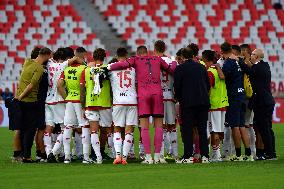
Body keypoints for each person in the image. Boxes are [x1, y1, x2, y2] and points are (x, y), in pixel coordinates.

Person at [108, 45, 177, 164]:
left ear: (138, 53)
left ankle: (148, 158)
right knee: (159, 126)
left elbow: (123, 64)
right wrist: (174, 60)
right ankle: (157, 156)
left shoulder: (135, 59)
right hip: (157, 93)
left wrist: (109, 66)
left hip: (143, 94)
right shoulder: (157, 59)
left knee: (144, 126)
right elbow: (171, 70)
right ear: (147, 52)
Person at [45, 48, 82, 162]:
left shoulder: (49, 64)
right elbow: (75, 59)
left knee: (48, 129)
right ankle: (53, 152)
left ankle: (48, 154)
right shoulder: (63, 66)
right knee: (65, 128)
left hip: (48, 100)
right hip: (59, 100)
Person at [15, 47, 52, 163]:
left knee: (23, 128)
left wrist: (18, 96)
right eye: (49, 56)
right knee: (30, 130)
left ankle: (20, 155)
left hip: (21, 100)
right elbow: (31, 85)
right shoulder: (40, 69)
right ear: (46, 55)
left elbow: (22, 80)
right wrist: (21, 96)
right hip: (30, 101)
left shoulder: (27, 62)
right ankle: (26, 156)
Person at [238, 49, 276, 160]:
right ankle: (270, 151)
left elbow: (249, 71)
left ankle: (270, 153)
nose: (251, 56)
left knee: (264, 128)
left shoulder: (258, 67)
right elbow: (251, 68)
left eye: (253, 54)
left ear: (258, 56)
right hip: (266, 101)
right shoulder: (264, 65)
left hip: (262, 103)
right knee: (266, 127)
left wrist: (240, 61)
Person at [174, 47, 210, 164]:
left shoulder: (180, 68)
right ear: (193, 56)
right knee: (202, 130)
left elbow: (177, 87)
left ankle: (188, 156)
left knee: (188, 130)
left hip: (188, 103)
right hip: (203, 102)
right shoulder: (201, 67)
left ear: (182, 57)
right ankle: (205, 156)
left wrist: (179, 99)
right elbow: (207, 85)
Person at [220, 42, 253, 161]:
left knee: (234, 126)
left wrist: (218, 67)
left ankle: (238, 155)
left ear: (222, 51)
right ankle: (248, 154)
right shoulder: (238, 61)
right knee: (242, 125)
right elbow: (249, 71)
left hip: (233, 96)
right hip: (242, 95)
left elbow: (222, 76)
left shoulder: (228, 63)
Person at [80, 48, 113, 164]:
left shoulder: (86, 70)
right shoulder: (108, 70)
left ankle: (97, 157)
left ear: (93, 57)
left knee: (93, 131)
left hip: (90, 103)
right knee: (105, 131)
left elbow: (82, 90)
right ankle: (105, 153)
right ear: (104, 57)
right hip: (105, 103)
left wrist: (83, 105)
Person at [57, 48, 90, 164]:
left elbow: (59, 85)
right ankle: (86, 157)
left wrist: (66, 97)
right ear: (83, 56)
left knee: (68, 127)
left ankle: (67, 157)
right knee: (84, 126)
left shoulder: (66, 69)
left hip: (70, 100)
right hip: (79, 101)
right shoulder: (84, 69)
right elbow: (85, 88)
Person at [108, 47, 138, 164]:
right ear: (126, 56)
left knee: (117, 128)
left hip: (118, 101)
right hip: (132, 101)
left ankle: (118, 156)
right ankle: (125, 158)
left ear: (116, 55)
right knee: (129, 130)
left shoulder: (111, 68)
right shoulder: (133, 68)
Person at [154, 40, 178, 162]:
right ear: (165, 48)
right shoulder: (171, 61)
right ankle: (175, 154)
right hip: (170, 96)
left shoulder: (152, 62)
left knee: (160, 126)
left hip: (158, 96)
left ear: (154, 49)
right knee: (172, 126)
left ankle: (161, 155)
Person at [202, 50, 228, 162]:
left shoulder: (210, 72)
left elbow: (208, 89)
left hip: (214, 105)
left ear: (206, 59)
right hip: (223, 103)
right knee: (219, 130)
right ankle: (216, 153)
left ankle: (216, 154)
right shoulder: (219, 69)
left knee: (214, 131)